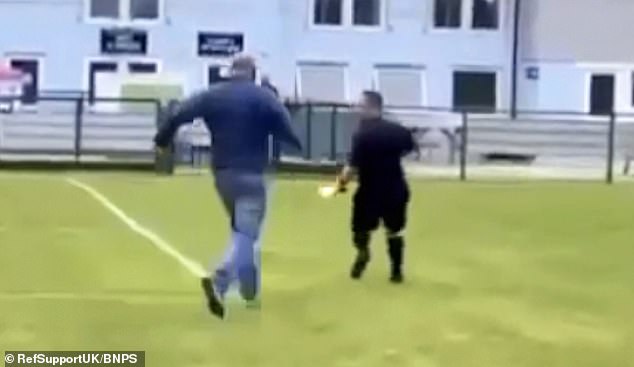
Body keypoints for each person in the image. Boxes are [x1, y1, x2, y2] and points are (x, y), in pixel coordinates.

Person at [154, 55, 302, 319]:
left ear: (230, 72)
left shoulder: (213, 95)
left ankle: (249, 289)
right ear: (253, 73)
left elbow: (178, 114)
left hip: (222, 175)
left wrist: (162, 140)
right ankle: (220, 280)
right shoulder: (263, 97)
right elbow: (284, 124)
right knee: (247, 235)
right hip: (252, 174)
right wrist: (295, 143)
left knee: (242, 231)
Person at [336, 91, 416, 283]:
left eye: (361, 106)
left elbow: (352, 167)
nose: (358, 109)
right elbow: (408, 148)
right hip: (396, 187)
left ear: (373, 107)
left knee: (360, 229)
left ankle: (363, 252)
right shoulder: (398, 131)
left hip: (370, 190)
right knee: (394, 231)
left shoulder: (362, 135)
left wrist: (340, 184)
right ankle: (396, 272)